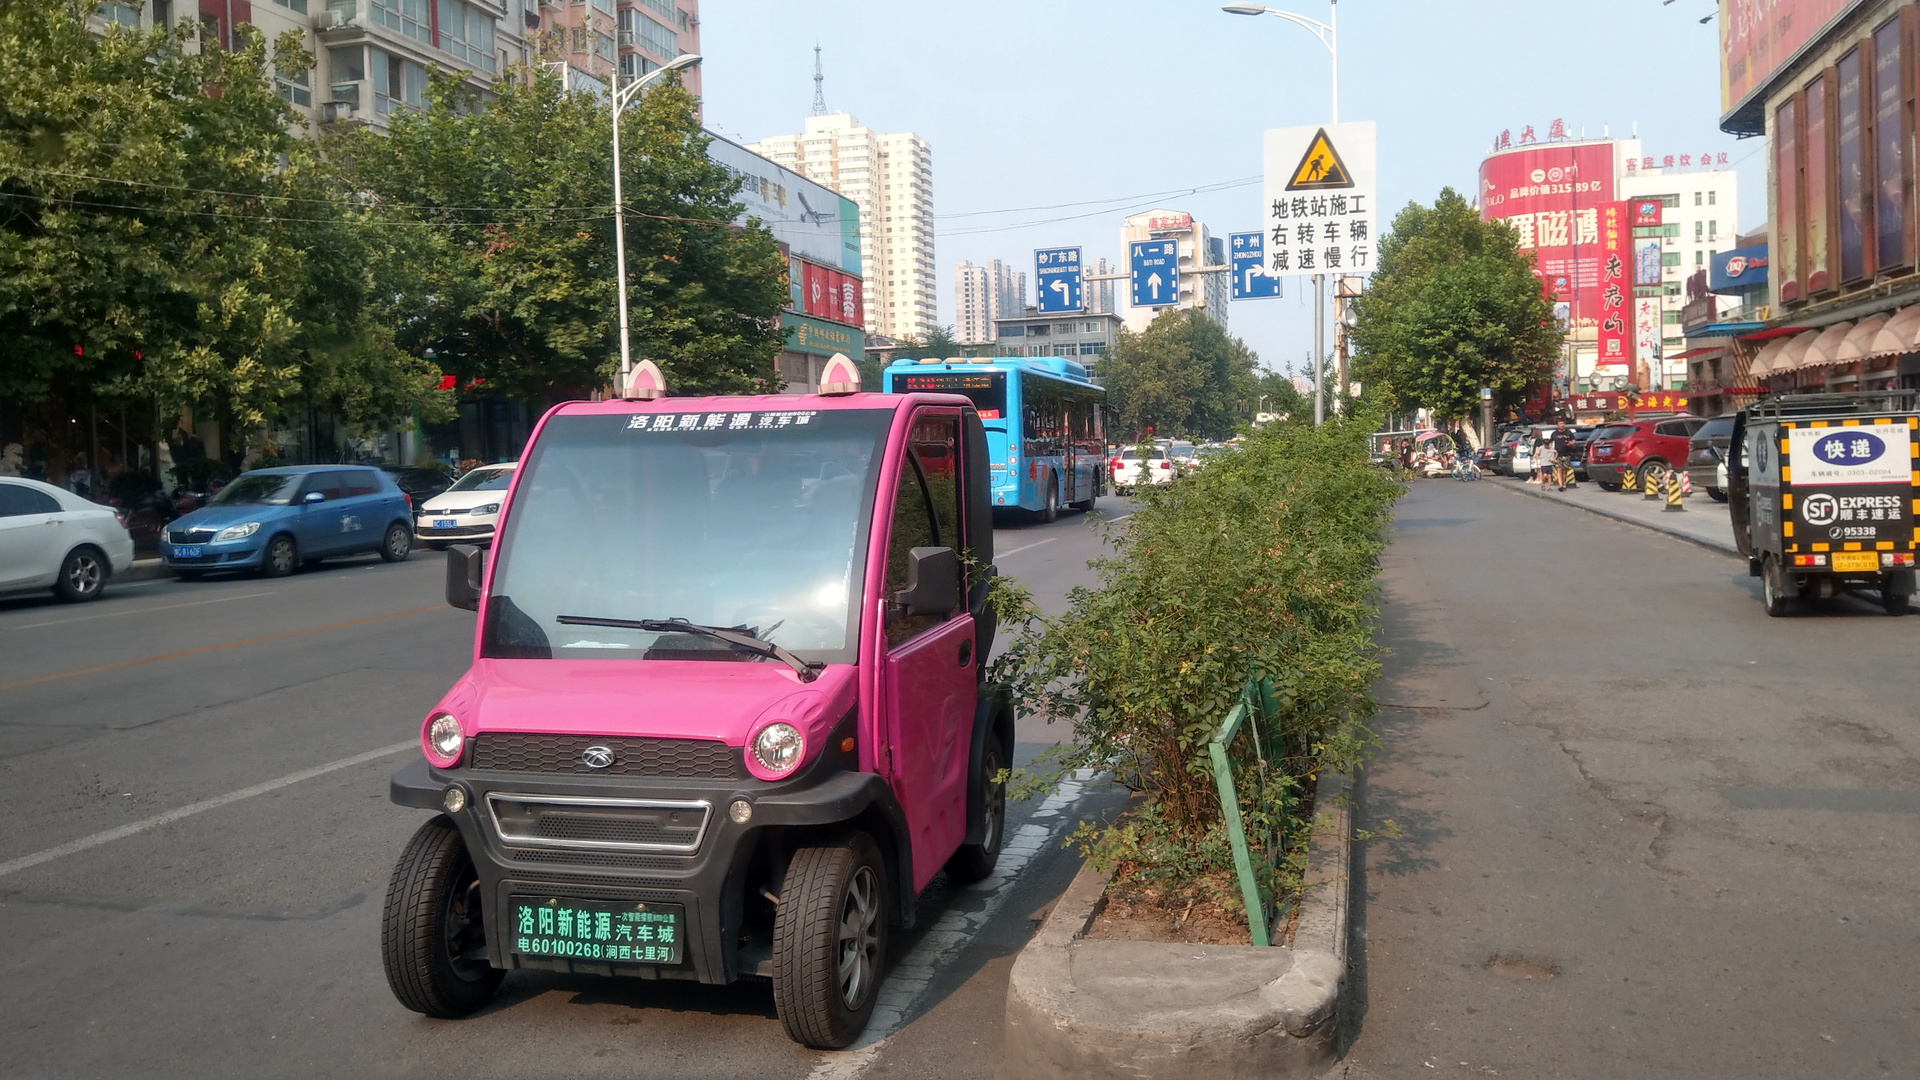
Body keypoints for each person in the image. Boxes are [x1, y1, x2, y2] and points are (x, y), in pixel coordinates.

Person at [1550, 420, 1579, 491]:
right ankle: (1560, 486)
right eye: (1560, 423)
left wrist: (1571, 443)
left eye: (1563, 423)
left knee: (1564, 470)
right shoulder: (1554, 434)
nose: (1562, 425)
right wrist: (1551, 452)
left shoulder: (1568, 432)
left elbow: (1574, 440)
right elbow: (1551, 443)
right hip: (1557, 455)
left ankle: (1562, 482)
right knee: (1559, 469)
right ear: (1557, 425)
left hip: (1567, 454)